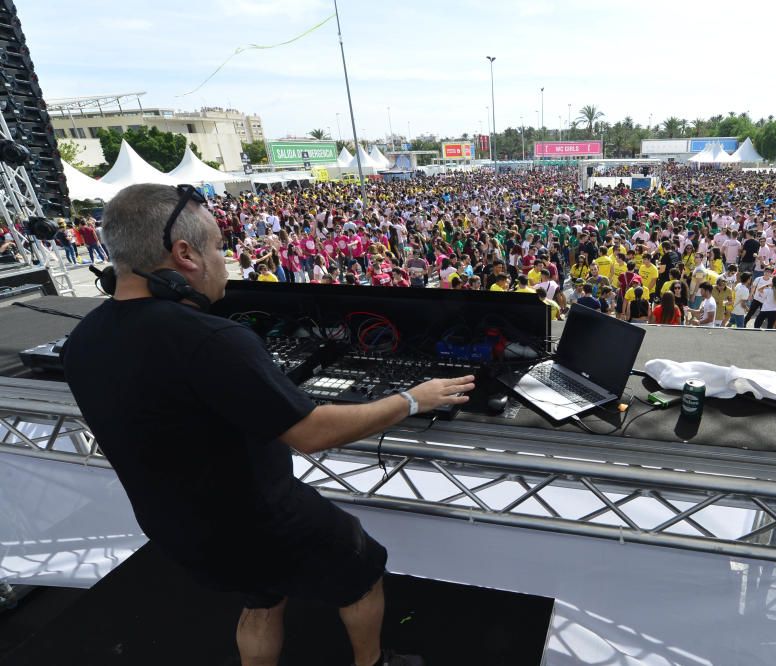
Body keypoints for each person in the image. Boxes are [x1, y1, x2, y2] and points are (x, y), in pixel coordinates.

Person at [62, 184, 471, 666]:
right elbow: (312, 433)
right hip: (259, 520)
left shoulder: (83, 338)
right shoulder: (211, 339)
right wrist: (411, 398)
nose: (225, 260)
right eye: (217, 246)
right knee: (364, 567)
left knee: (260, 599)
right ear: (184, 254)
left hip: (174, 526)